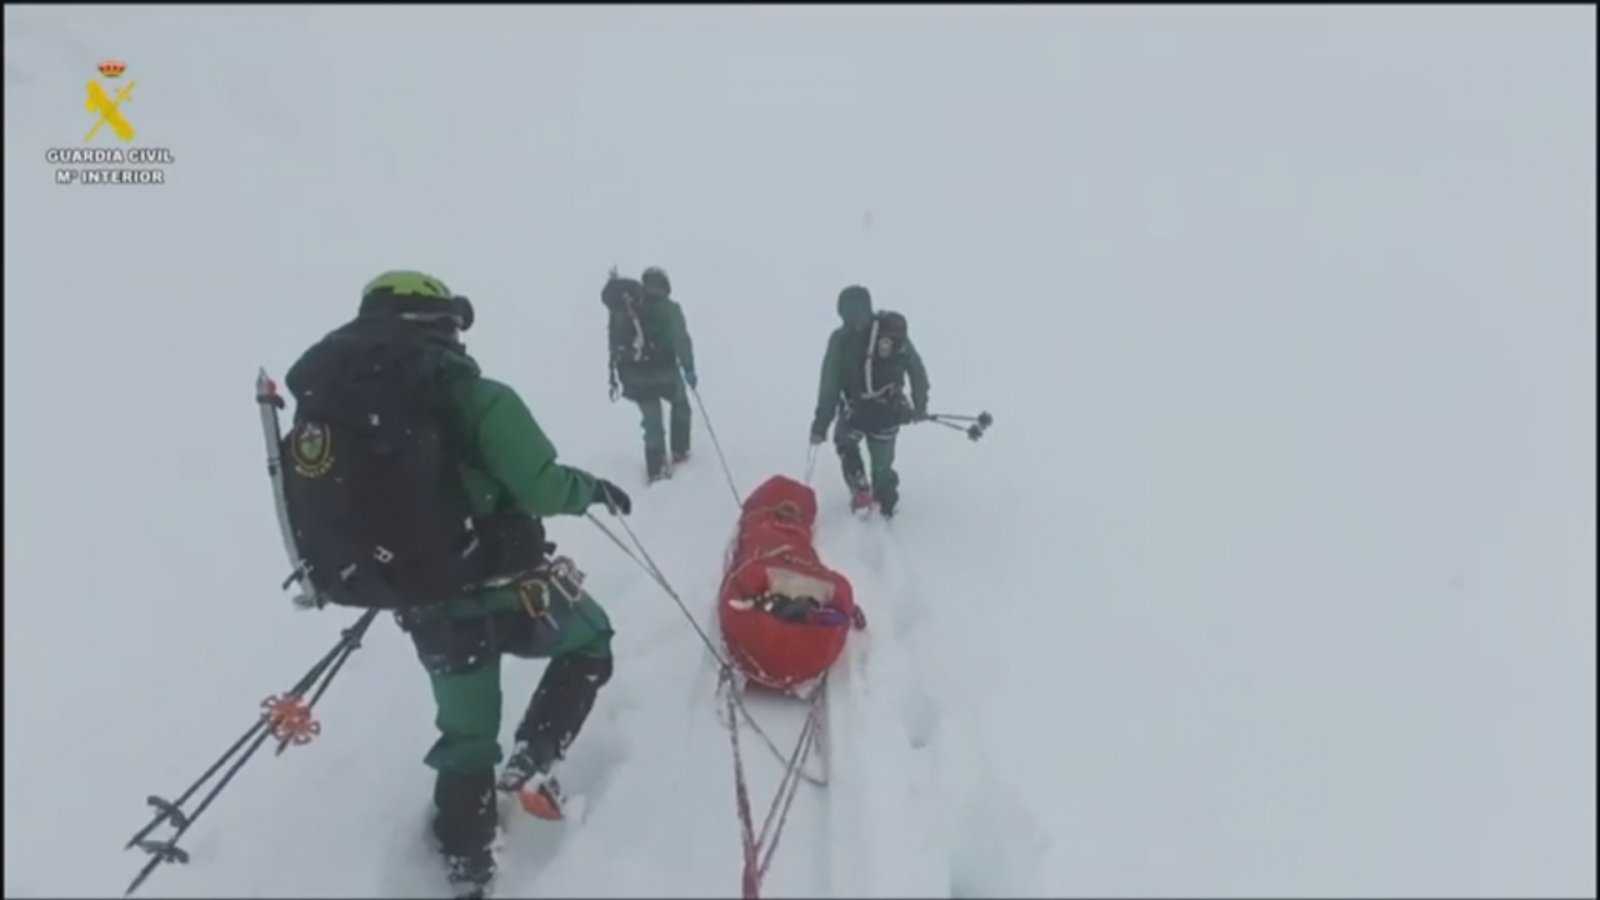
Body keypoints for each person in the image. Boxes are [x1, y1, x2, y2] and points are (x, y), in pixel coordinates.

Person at [284, 271, 635, 898]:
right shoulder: (475, 396)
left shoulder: (329, 408)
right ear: (441, 324)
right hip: (508, 584)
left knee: (467, 733)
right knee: (591, 639)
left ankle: (467, 860)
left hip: (423, 596)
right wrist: (594, 491)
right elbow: (542, 486)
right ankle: (531, 759)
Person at [808, 285, 930, 517]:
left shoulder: (840, 340)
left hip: (856, 414)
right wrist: (920, 405)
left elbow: (829, 387)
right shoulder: (892, 334)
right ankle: (885, 498)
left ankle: (860, 487)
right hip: (890, 413)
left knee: (845, 442)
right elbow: (917, 369)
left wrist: (820, 426)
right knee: (883, 462)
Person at [603, 266, 698, 482]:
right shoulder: (669, 308)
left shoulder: (628, 310)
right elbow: (681, 340)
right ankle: (680, 452)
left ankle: (656, 469)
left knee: (652, 421)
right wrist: (689, 368)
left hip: (634, 378)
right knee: (681, 405)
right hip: (665, 374)